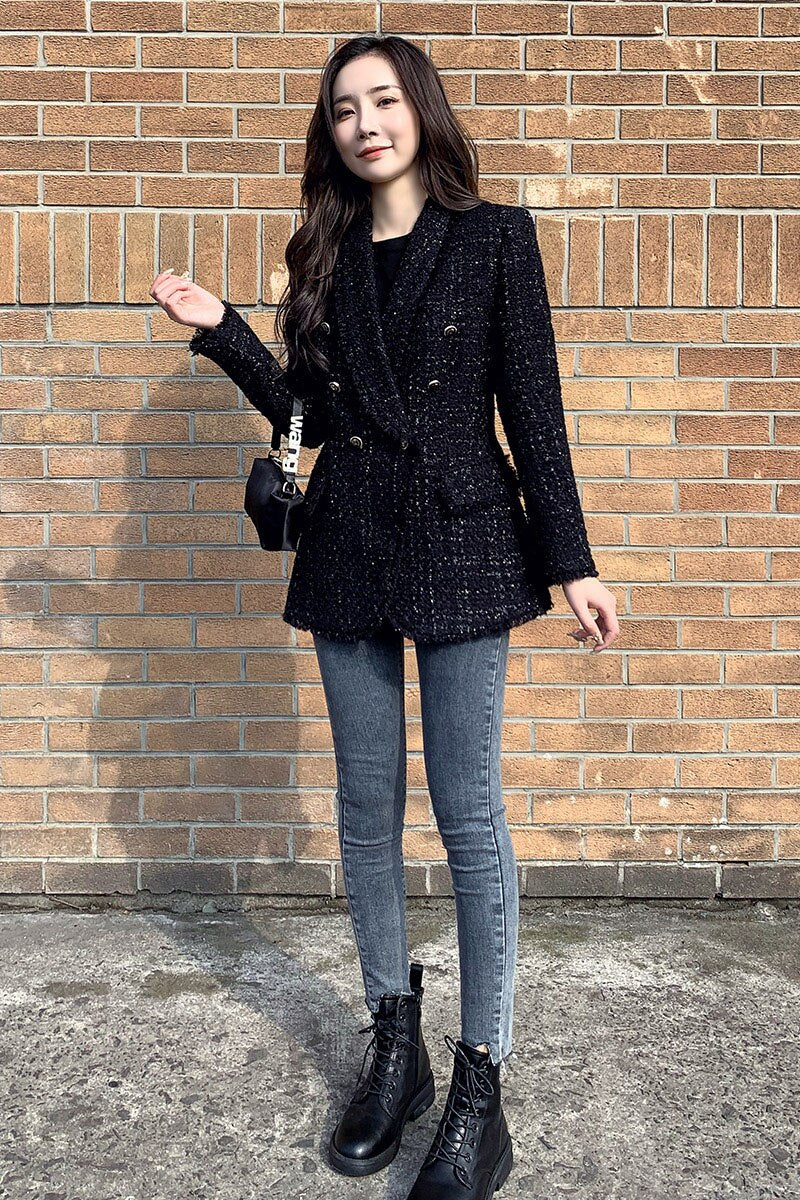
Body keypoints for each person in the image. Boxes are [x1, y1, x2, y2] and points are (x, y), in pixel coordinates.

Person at [150, 32, 619, 1200]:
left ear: (421, 110)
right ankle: (393, 1044)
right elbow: (304, 417)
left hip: (464, 538)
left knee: (468, 814)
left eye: (383, 100)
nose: (364, 123)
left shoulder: (495, 237)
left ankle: (479, 1084)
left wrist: (571, 563)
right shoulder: (324, 250)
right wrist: (223, 330)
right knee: (365, 812)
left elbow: (534, 412)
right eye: (344, 108)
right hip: (350, 538)